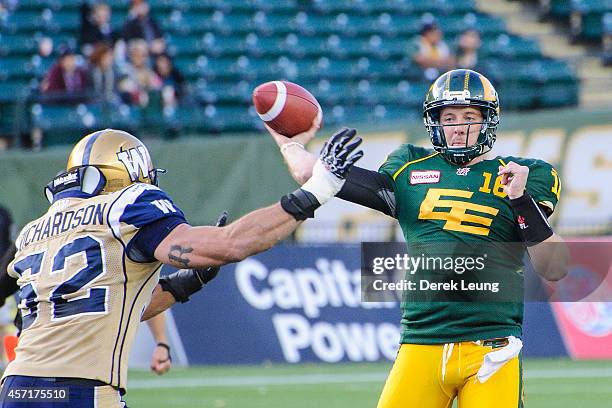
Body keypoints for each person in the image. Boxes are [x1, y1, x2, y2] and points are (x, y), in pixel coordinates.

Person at [267, 68, 568, 408]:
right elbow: (314, 174)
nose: (457, 127)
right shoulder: (408, 166)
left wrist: (519, 198)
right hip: (421, 342)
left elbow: (555, 267)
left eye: (469, 115)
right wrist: (288, 141)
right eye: (448, 116)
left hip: (491, 348)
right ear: (433, 121)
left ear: (488, 120)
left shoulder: (526, 173)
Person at [0, 127, 363, 407]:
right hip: (82, 390)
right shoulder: (127, 206)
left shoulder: (36, 230)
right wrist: (320, 187)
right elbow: (230, 244)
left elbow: (109, 306)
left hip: (14, 389)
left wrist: (186, 283)